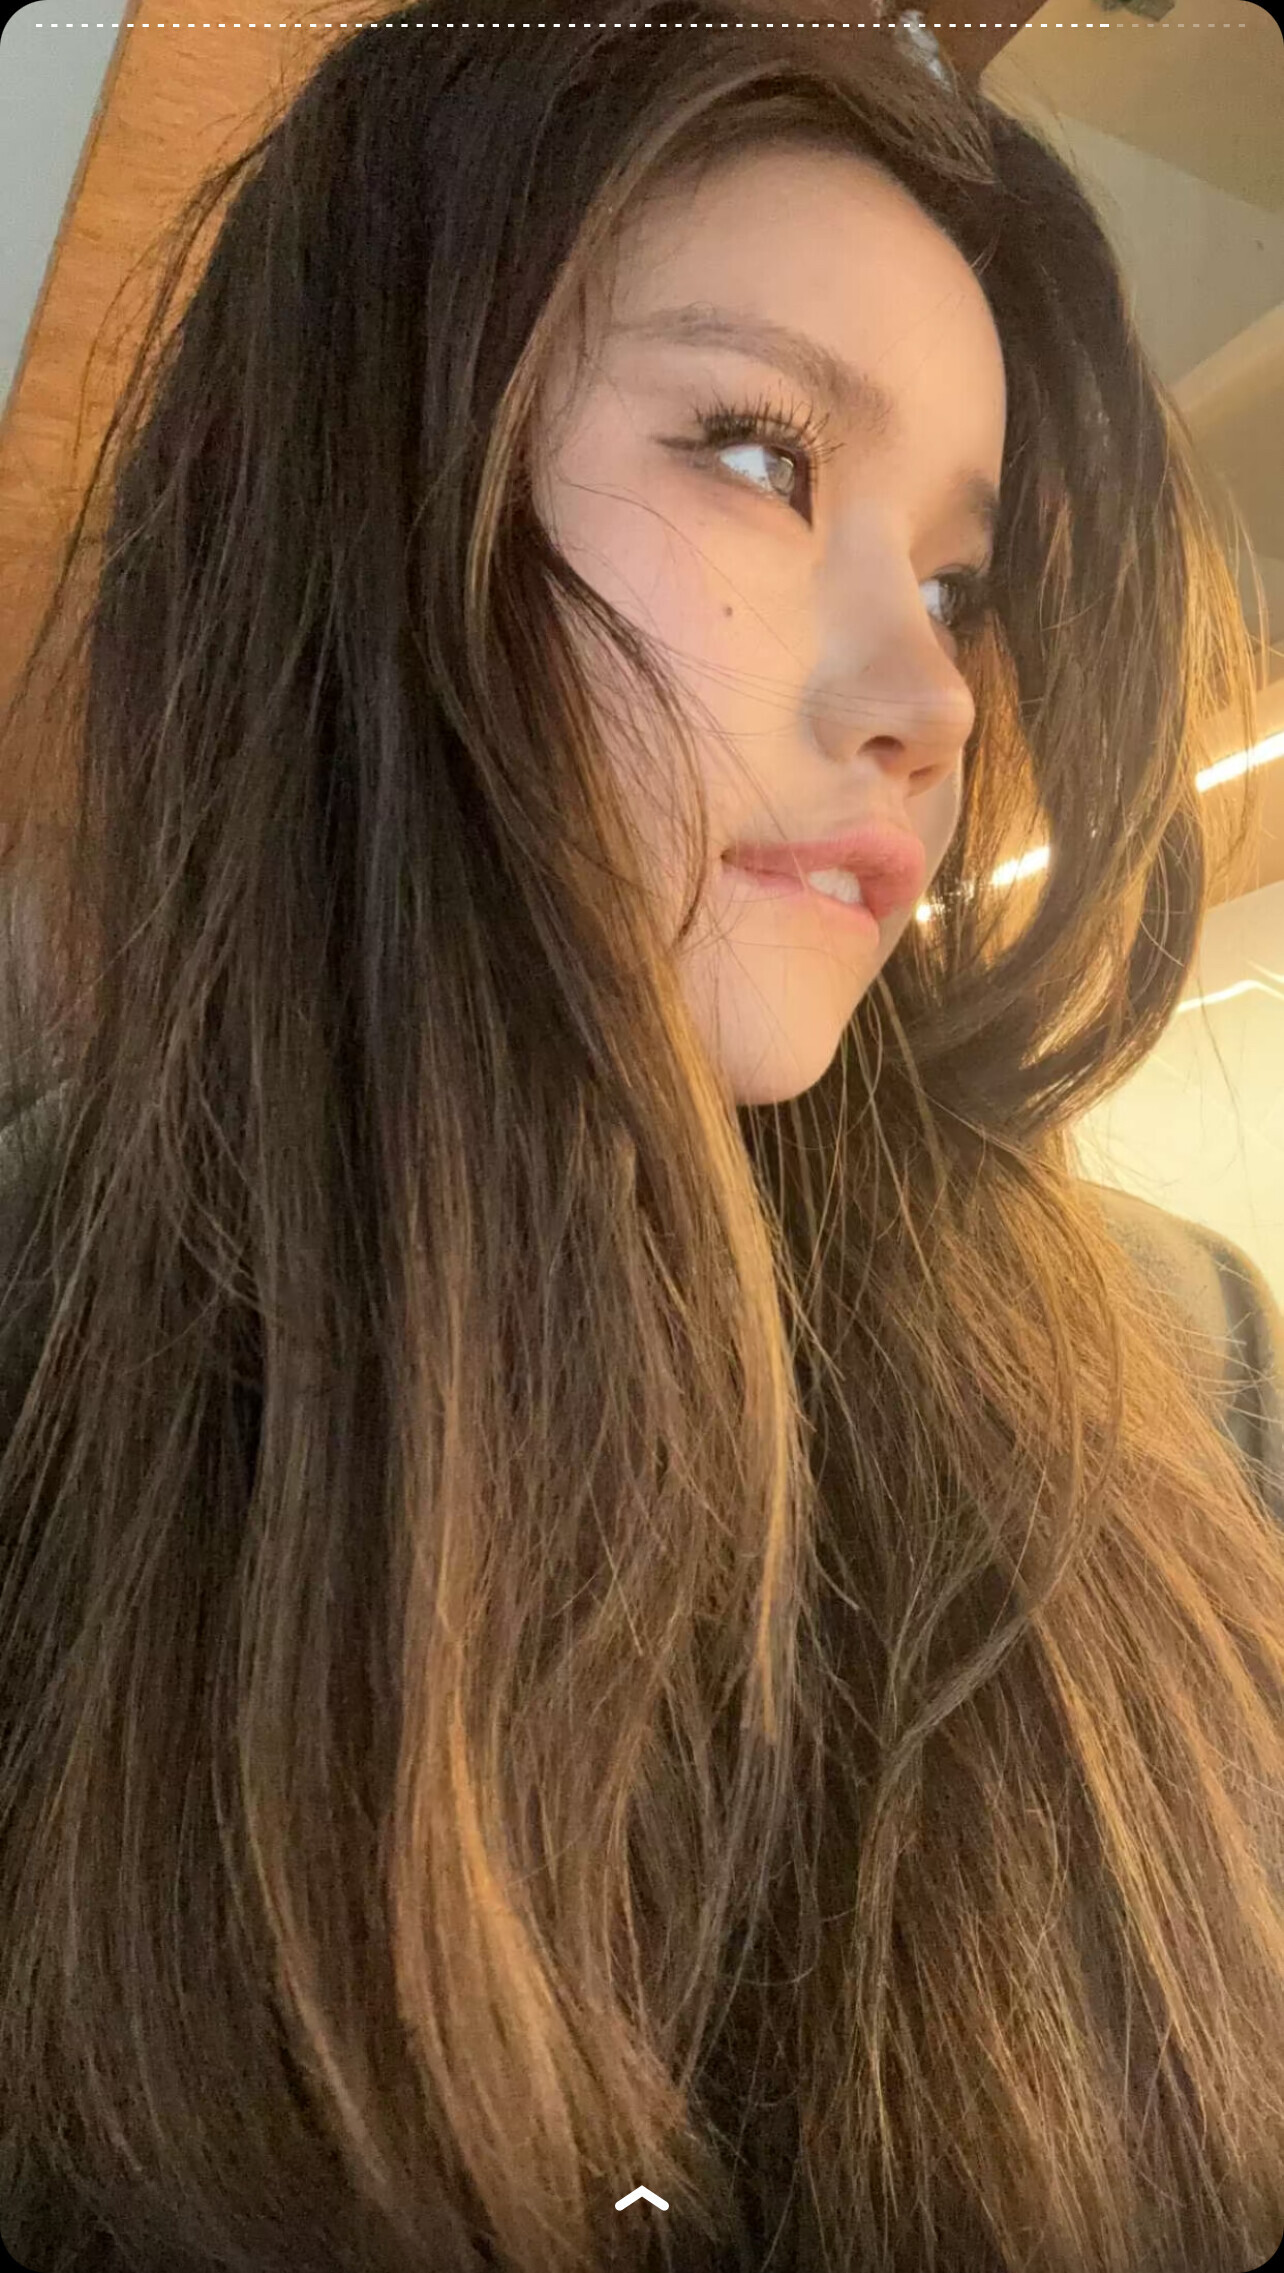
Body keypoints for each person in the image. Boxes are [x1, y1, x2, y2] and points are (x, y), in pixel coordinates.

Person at [0, 9, 1281, 2271]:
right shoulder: (45, 1381)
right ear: (372, 495)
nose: (931, 696)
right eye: (761, 456)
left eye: (959, 579)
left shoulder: (1196, 1378)